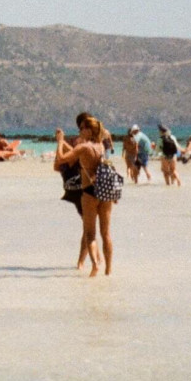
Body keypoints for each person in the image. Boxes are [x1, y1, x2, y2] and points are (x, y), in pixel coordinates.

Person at [57, 114, 119, 276]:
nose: (80, 130)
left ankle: (95, 265)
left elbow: (62, 159)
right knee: (106, 233)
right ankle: (109, 270)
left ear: (89, 130)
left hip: (89, 192)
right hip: (105, 191)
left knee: (90, 233)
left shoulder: (83, 148)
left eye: (83, 128)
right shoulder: (101, 147)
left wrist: (59, 142)